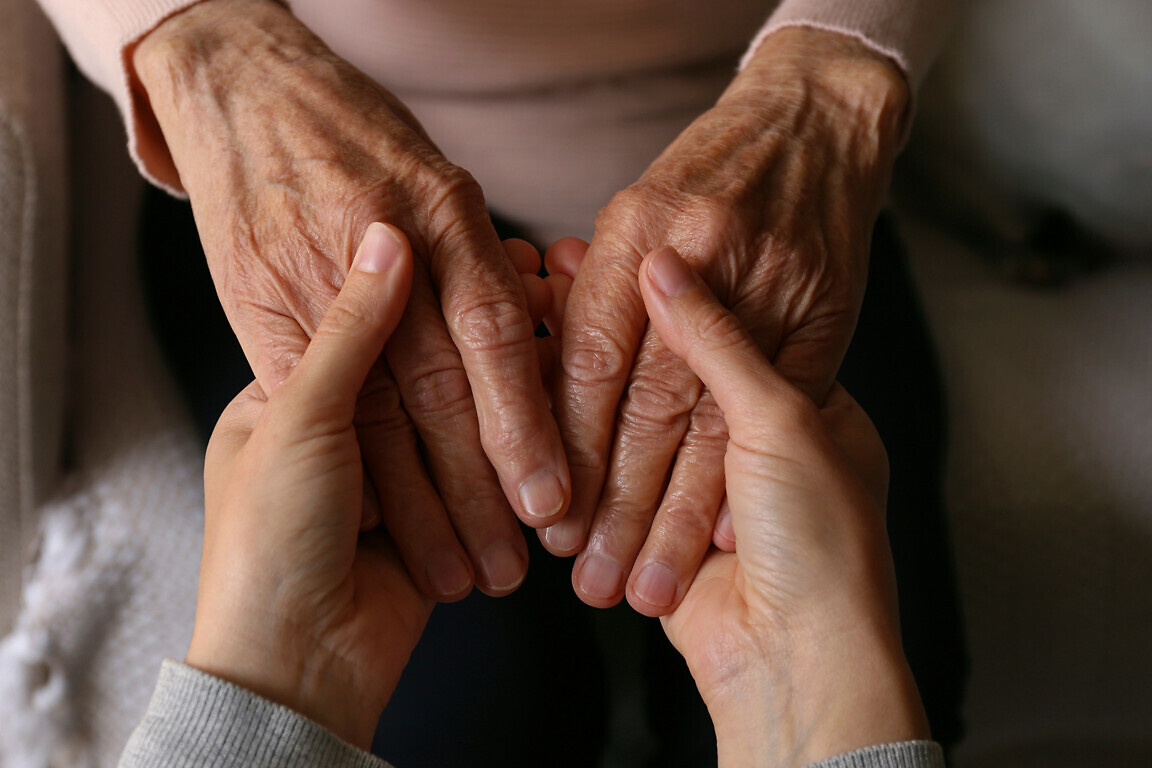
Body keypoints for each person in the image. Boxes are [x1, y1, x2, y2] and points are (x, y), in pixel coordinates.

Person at [37, 0, 966, 753]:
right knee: (464, 717)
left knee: (892, 653)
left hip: (768, 174)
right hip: (308, 173)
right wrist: (205, 44)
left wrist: (834, 81)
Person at [118, 224, 944, 767]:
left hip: (761, 226)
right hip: (335, 220)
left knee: (915, 670)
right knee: (476, 719)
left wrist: (287, 664)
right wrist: (802, 685)